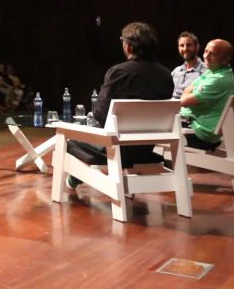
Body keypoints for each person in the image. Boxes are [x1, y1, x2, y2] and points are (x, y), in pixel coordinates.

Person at [66, 21, 173, 188]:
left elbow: (100, 113)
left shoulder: (119, 73)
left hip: (116, 148)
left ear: (128, 46)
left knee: (69, 140)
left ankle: (75, 177)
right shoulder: (166, 75)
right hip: (146, 149)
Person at [180, 39, 234, 149]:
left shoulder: (218, 79)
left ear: (225, 60)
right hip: (198, 126)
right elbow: (187, 89)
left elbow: (183, 101)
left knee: (157, 125)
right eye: (206, 51)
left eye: (213, 54)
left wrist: (186, 94)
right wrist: (186, 93)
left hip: (200, 132)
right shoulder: (212, 71)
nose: (206, 56)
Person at [171, 31, 206, 99]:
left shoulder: (206, 71)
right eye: (182, 45)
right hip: (170, 108)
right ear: (178, 48)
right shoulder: (176, 71)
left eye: (189, 45)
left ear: (197, 47)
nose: (185, 49)